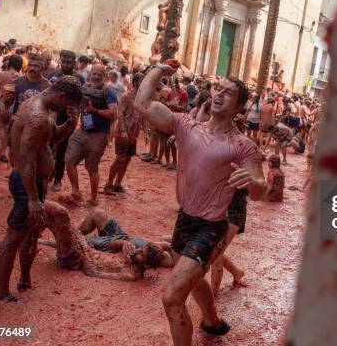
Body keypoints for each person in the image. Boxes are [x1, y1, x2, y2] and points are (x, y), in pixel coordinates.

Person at [134, 62, 268, 345]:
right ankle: (212, 322)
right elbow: (143, 103)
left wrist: (253, 183)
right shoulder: (186, 125)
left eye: (229, 93)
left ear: (240, 107)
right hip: (185, 219)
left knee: (172, 297)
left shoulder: (243, 146)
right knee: (193, 278)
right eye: (218, 88)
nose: (219, 93)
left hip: (211, 227)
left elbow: (260, 191)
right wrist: (158, 70)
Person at [0, 76, 83, 302]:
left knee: (33, 233)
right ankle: (1, 291)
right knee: (14, 237)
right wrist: (33, 198)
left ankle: (24, 278)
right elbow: (25, 160)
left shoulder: (46, 107)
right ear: (61, 97)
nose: (66, 109)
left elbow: (50, 140)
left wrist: (69, 126)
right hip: (27, 184)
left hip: (36, 183)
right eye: (68, 105)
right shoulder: (38, 116)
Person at [38, 204, 174, 280]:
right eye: (141, 249)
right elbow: (163, 240)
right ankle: (68, 236)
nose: (137, 250)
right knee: (97, 213)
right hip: (118, 239)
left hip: (99, 251)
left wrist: (85, 254)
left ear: (148, 265)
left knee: (71, 236)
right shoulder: (151, 250)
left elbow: (95, 272)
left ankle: (43, 241)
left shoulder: (133, 273)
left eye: (141, 254)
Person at [65, 64, 118, 205]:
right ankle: (75, 191)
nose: (96, 77)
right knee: (69, 160)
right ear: (90, 74)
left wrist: (94, 110)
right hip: (82, 130)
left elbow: (114, 113)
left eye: (99, 74)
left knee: (92, 168)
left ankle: (93, 198)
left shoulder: (108, 91)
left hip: (99, 134)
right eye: (94, 73)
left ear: (104, 76)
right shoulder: (85, 88)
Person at [105, 73, 143, 194]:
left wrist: (145, 131)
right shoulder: (127, 96)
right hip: (123, 133)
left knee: (127, 160)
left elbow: (140, 115)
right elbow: (120, 113)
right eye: (141, 81)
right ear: (136, 82)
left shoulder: (140, 97)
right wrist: (123, 130)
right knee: (120, 159)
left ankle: (117, 184)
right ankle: (108, 185)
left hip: (133, 134)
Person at [210, 189, 249, 297]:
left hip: (233, 214)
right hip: (218, 210)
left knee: (216, 255)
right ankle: (237, 273)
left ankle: (213, 294)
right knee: (215, 252)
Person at [49, 51, 78, 192]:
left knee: (61, 150)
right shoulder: (53, 74)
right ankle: (46, 174)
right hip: (50, 115)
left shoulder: (78, 79)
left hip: (66, 118)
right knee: (46, 147)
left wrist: (74, 117)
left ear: (74, 63)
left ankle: (57, 179)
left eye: (69, 62)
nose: (66, 65)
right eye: (64, 62)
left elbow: (79, 100)